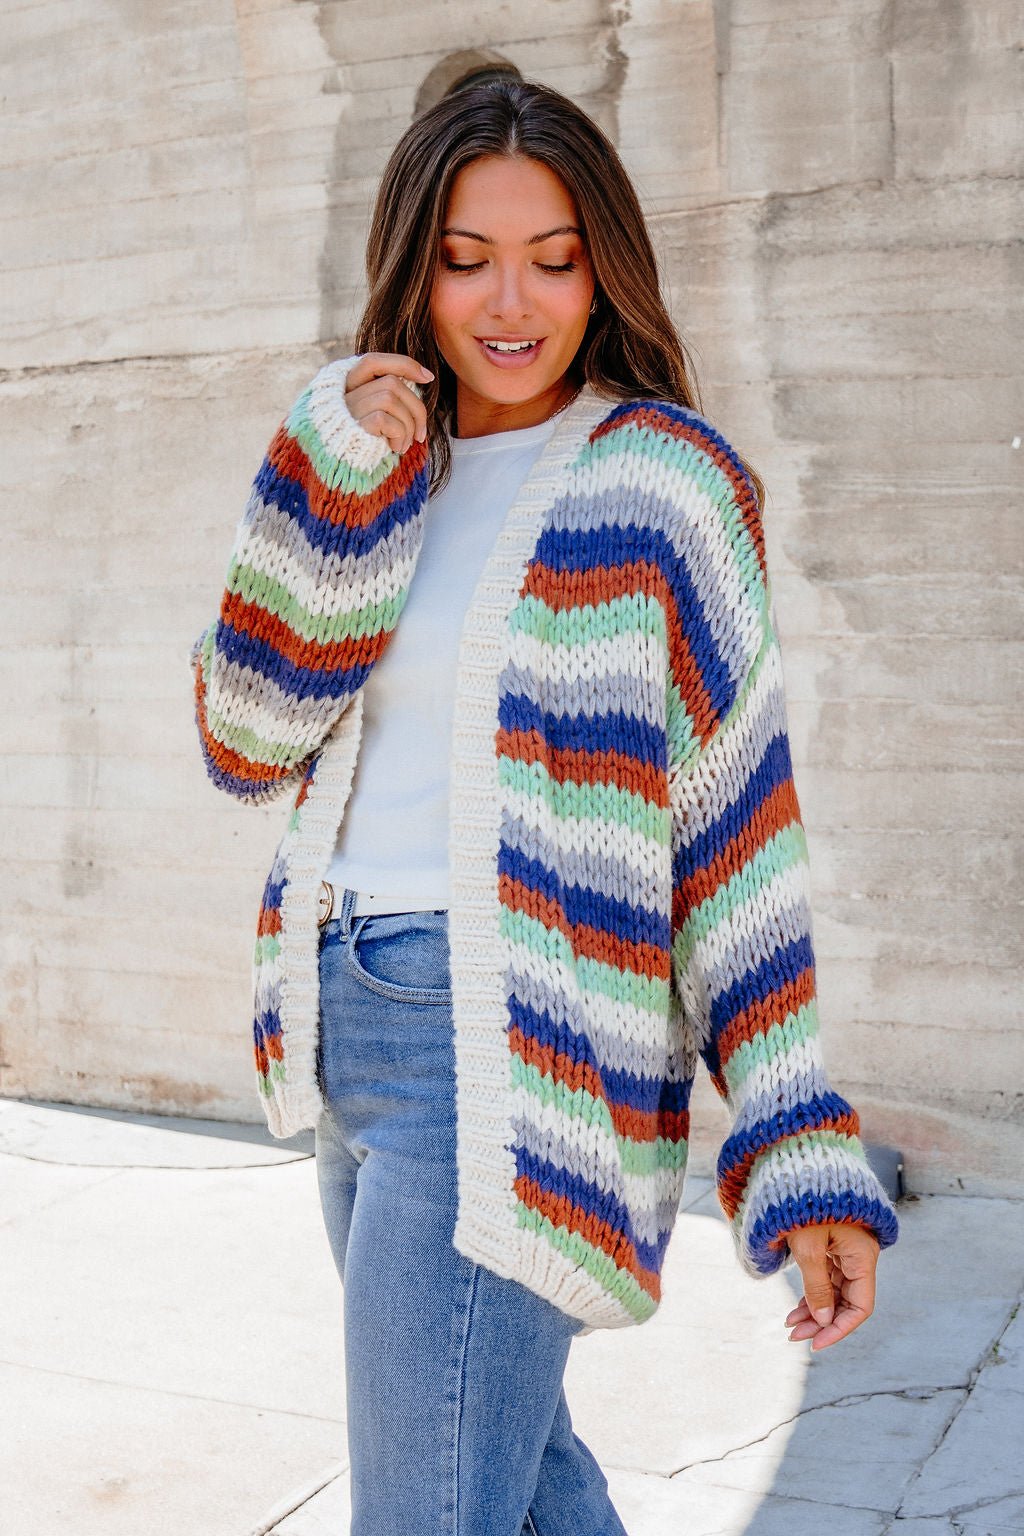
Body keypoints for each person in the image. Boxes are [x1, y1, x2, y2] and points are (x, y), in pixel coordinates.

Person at [190, 75, 899, 1536]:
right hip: (342, 1031)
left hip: (509, 1058)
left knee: (431, 1509)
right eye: (466, 257)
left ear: (604, 267)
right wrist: (321, 481)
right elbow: (242, 739)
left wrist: (798, 1141)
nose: (509, 300)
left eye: (553, 255)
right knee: (512, 1488)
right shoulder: (379, 454)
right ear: (414, 261)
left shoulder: (669, 486)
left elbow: (735, 837)